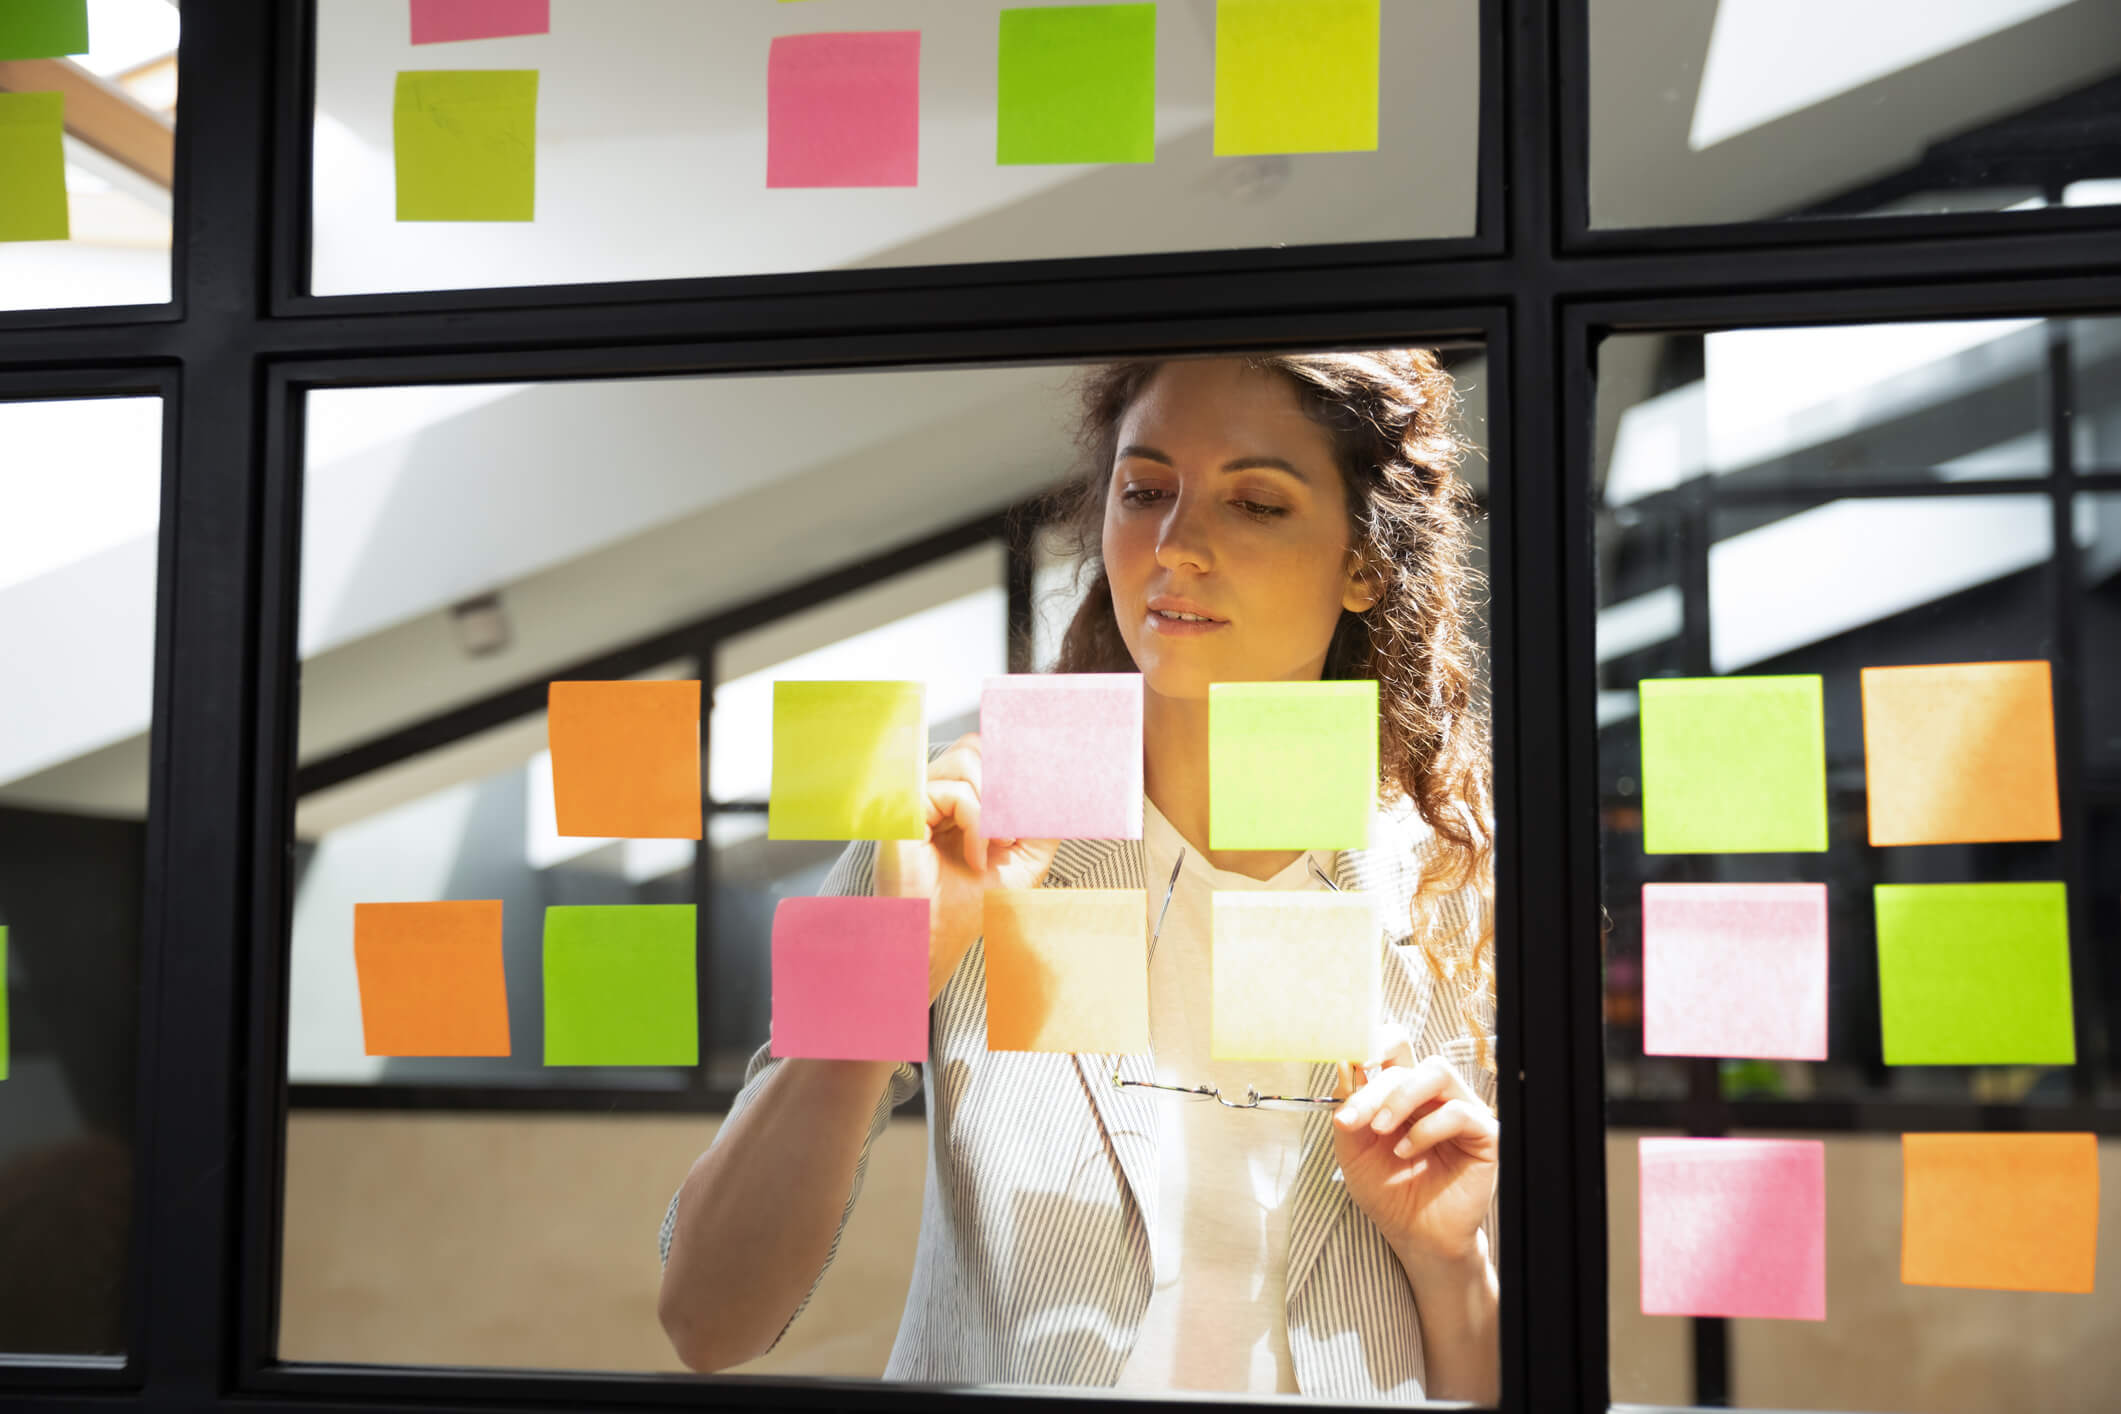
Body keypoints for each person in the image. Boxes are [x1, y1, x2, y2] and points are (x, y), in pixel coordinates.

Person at [657, 350, 1498, 1402]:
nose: (1177, 544)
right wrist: (891, 970)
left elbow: (1490, 1384)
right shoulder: (970, 828)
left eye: (1255, 503)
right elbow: (706, 1316)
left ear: (1365, 563)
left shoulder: (1450, 886)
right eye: (1144, 491)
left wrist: (1449, 1262)